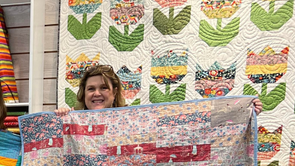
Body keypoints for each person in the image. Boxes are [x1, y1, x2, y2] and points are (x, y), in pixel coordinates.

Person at [55, 64, 262, 115]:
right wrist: (60, 117)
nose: (97, 93)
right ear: (84, 93)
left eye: (103, 88)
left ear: (115, 92)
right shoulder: (73, 121)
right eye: (91, 89)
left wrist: (241, 111)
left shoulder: (132, 117)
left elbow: (191, 121)